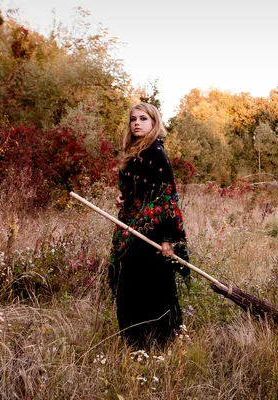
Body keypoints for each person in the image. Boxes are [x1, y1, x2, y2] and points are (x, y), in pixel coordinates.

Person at [109, 103, 190, 349]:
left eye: (143, 118)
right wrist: (123, 197)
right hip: (131, 231)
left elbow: (168, 198)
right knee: (130, 287)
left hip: (153, 233)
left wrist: (168, 240)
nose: (136, 123)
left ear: (154, 123)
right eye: (133, 119)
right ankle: (134, 343)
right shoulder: (132, 153)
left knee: (154, 287)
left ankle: (159, 344)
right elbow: (133, 189)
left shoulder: (157, 154)